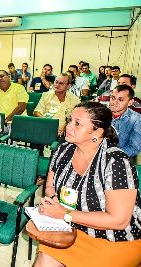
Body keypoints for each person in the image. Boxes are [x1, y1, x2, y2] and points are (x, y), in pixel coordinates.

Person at [34, 101, 141, 267]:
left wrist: (64, 213)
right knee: (43, 262)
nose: (68, 127)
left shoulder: (116, 162)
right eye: (70, 120)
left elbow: (119, 220)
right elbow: (50, 187)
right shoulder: (62, 151)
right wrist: (53, 202)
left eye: (77, 123)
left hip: (117, 238)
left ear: (97, 132)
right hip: (70, 230)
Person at [34, 73, 80, 137]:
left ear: (68, 86)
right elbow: (37, 112)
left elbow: (77, 119)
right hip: (45, 126)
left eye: (61, 83)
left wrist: (66, 126)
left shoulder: (75, 100)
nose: (57, 85)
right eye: (56, 82)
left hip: (65, 131)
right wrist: (46, 122)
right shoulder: (46, 95)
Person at [110, 84, 141, 158]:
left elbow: (133, 148)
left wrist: (109, 156)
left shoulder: (137, 120)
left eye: (120, 100)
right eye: (113, 98)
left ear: (130, 102)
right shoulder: (101, 114)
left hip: (120, 161)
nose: (114, 102)